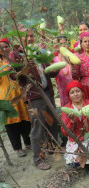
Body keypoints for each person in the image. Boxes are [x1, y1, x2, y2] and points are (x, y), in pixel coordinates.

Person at [9, 29, 60, 170]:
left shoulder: (37, 51)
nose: (30, 38)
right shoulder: (16, 54)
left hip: (47, 92)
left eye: (32, 36)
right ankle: (38, 159)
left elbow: (49, 71)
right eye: (27, 36)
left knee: (53, 122)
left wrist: (56, 66)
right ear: (20, 38)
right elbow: (14, 76)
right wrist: (24, 66)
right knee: (38, 127)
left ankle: (52, 147)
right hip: (33, 95)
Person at [0, 38, 31, 157]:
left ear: (10, 47)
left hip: (20, 92)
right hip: (6, 95)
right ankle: (18, 148)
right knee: (11, 123)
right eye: (1, 47)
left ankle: (28, 142)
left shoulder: (15, 59)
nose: (3, 49)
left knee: (25, 119)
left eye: (6, 46)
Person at [61, 80, 89, 168]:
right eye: (72, 92)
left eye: (77, 91)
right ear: (69, 96)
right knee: (74, 162)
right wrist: (72, 122)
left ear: (82, 92)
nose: (75, 94)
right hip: (76, 139)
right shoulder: (66, 109)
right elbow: (65, 132)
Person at [52, 36, 73, 106]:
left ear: (69, 44)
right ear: (58, 46)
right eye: (61, 43)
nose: (64, 45)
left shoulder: (75, 56)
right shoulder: (55, 59)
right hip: (63, 89)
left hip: (76, 88)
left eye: (66, 43)